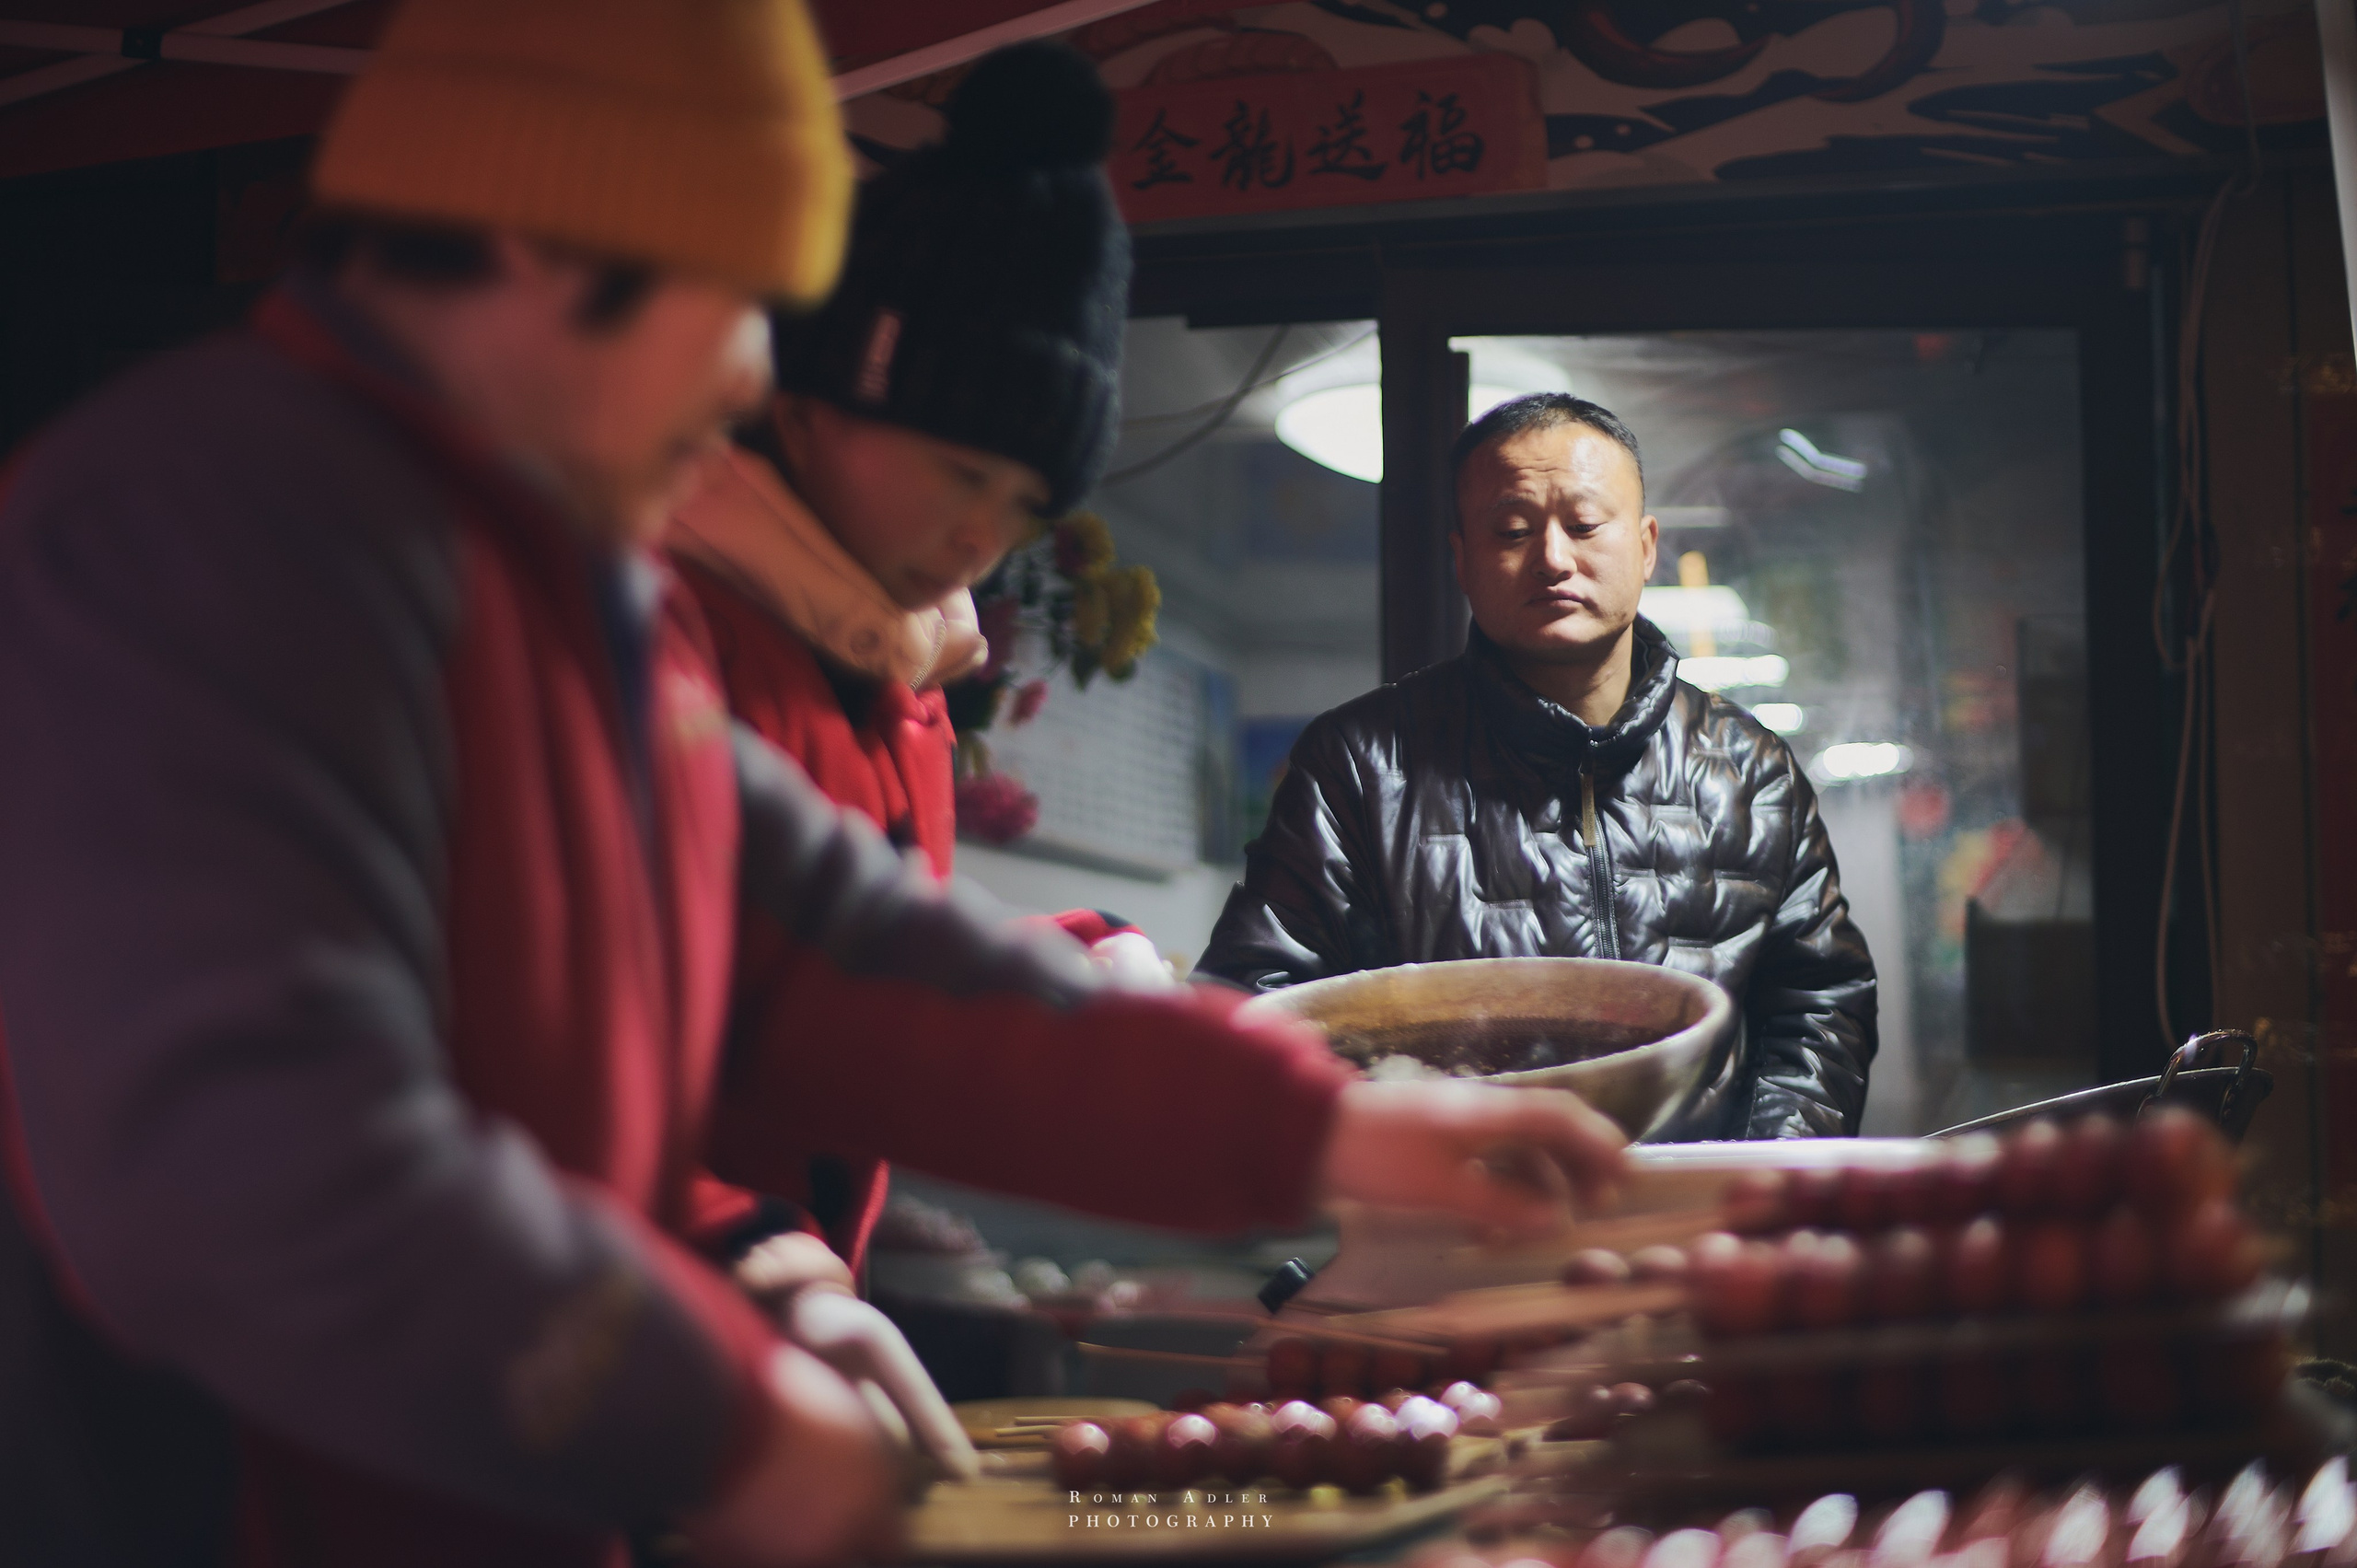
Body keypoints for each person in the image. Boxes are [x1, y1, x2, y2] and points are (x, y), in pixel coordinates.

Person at [0, 6, 1630, 1566]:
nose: (748, 378)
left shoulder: (578, 589)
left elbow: (837, 952)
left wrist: (1333, 1128)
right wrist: (709, 1403)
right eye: (730, 302)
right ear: (542, 246)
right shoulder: (195, 528)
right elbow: (247, 1161)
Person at [665, 43, 1159, 1281]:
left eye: (1023, 498)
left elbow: (862, 951)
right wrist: (747, 1250)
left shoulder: (893, 668)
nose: (982, 534)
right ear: (810, 403)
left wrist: (1072, 953)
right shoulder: (670, 628)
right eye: (960, 467)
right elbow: (564, 1052)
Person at [1197, 393, 1877, 1140]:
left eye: (1585, 525)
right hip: (1459, 1229)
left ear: (1647, 546)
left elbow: (1819, 1004)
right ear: (1461, 557)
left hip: (1702, 1229)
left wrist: (1758, 1188)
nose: (1554, 558)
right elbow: (1258, 1009)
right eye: (1513, 530)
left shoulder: (1750, 769)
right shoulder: (1359, 766)